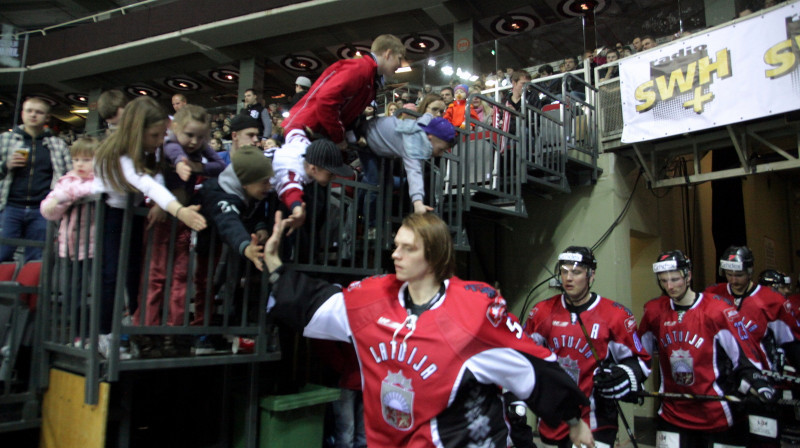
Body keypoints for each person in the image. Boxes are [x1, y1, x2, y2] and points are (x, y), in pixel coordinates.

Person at [263, 211, 595, 447]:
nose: (396, 255)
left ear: (434, 256)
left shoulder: (473, 313)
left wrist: (574, 420)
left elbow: (531, 366)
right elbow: (315, 303)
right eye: (396, 245)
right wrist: (275, 264)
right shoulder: (371, 299)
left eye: (408, 249)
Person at [93, 96, 207, 344]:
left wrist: (159, 204)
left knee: (136, 273)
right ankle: (103, 334)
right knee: (111, 274)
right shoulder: (118, 154)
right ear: (137, 131)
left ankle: (134, 330)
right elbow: (144, 183)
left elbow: (155, 179)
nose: (160, 142)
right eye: (155, 136)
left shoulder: (150, 150)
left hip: (134, 214)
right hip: (110, 214)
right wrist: (179, 210)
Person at [640, 250, 775, 448]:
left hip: (716, 415)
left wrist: (757, 383)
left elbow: (743, 359)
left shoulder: (718, 310)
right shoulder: (654, 311)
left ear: (688, 276)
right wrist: (630, 377)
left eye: (675, 279)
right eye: (663, 280)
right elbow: (639, 354)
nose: (669, 286)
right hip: (672, 412)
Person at [520, 246, 650, 448]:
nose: (568, 278)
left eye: (576, 272)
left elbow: (640, 361)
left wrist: (625, 375)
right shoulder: (541, 312)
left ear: (591, 275)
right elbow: (523, 358)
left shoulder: (615, 315)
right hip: (553, 421)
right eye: (564, 271)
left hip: (596, 422)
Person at [276, 34, 404, 231]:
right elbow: (327, 100)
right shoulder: (359, 69)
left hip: (314, 134)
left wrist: (346, 135)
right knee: (301, 196)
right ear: (388, 53)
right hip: (303, 132)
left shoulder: (370, 78)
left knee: (314, 202)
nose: (399, 64)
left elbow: (347, 111)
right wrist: (338, 137)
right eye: (399, 58)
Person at [135, 104, 224, 334]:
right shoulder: (170, 144)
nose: (194, 141)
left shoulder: (199, 148)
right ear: (175, 128)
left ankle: (175, 330)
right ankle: (147, 328)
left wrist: (195, 166)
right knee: (156, 274)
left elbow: (220, 166)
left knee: (181, 275)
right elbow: (175, 154)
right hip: (162, 215)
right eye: (189, 135)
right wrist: (182, 165)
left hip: (184, 217)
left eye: (200, 136)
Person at [704, 245, 800, 446]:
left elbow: (792, 343)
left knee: (763, 442)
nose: (733, 280)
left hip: (760, 389)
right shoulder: (712, 295)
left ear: (750, 271)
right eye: (728, 274)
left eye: (738, 275)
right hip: (725, 389)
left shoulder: (772, 301)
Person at [0, 97, 71, 262]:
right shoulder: (4, 140)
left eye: (39, 112)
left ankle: (30, 289)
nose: (33, 115)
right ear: (22, 114)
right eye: (29, 111)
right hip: (9, 206)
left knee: (37, 259)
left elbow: (68, 176)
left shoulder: (58, 145)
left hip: (42, 210)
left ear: (47, 118)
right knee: (2, 254)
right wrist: (6, 165)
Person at [356, 115, 455, 227]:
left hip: (378, 144)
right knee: (374, 183)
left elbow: (427, 116)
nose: (441, 154)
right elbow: (414, 172)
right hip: (367, 141)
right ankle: (368, 224)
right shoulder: (413, 143)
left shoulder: (421, 129)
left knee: (386, 184)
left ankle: (367, 216)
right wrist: (418, 203)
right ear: (430, 137)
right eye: (441, 149)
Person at [40, 137, 99, 302]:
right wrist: (54, 204)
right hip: (70, 243)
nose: (80, 164)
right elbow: (48, 210)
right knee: (73, 285)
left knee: (97, 282)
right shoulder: (66, 180)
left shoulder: (100, 179)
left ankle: (95, 321)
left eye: (86, 160)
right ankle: (75, 317)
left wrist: (62, 197)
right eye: (76, 160)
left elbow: (90, 189)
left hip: (94, 242)